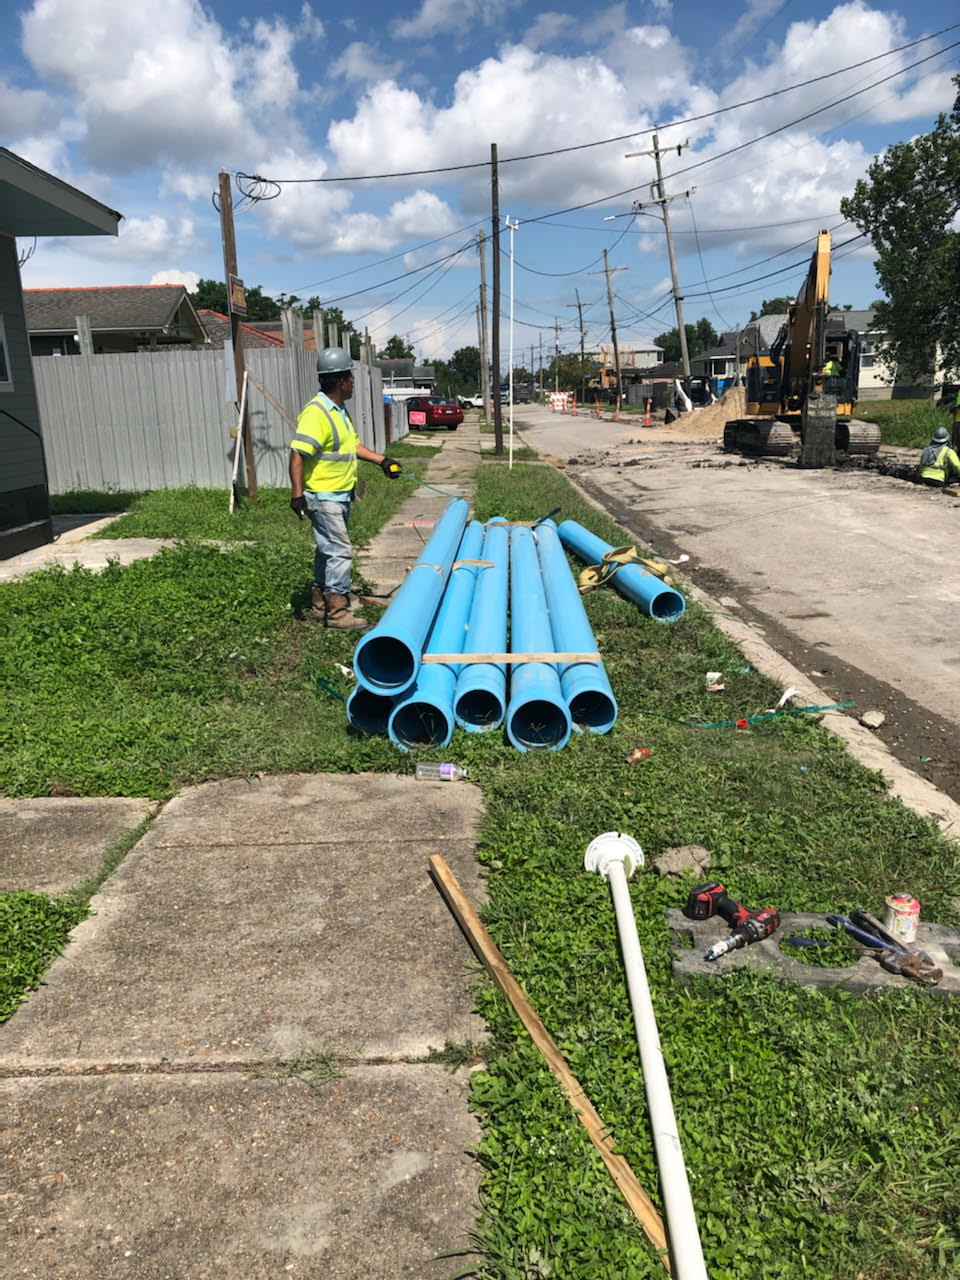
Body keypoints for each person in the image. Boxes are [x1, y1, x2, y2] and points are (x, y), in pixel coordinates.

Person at [289, 347, 402, 630]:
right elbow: (297, 454)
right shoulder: (317, 414)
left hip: (339, 494)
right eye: (350, 378)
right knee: (339, 551)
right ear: (341, 382)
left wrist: (382, 461)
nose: (352, 383)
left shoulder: (338, 411)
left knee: (327, 551)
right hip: (323, 497)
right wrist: (297, 494)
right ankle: (338, 614)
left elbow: (349, 445)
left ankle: (320, 605)